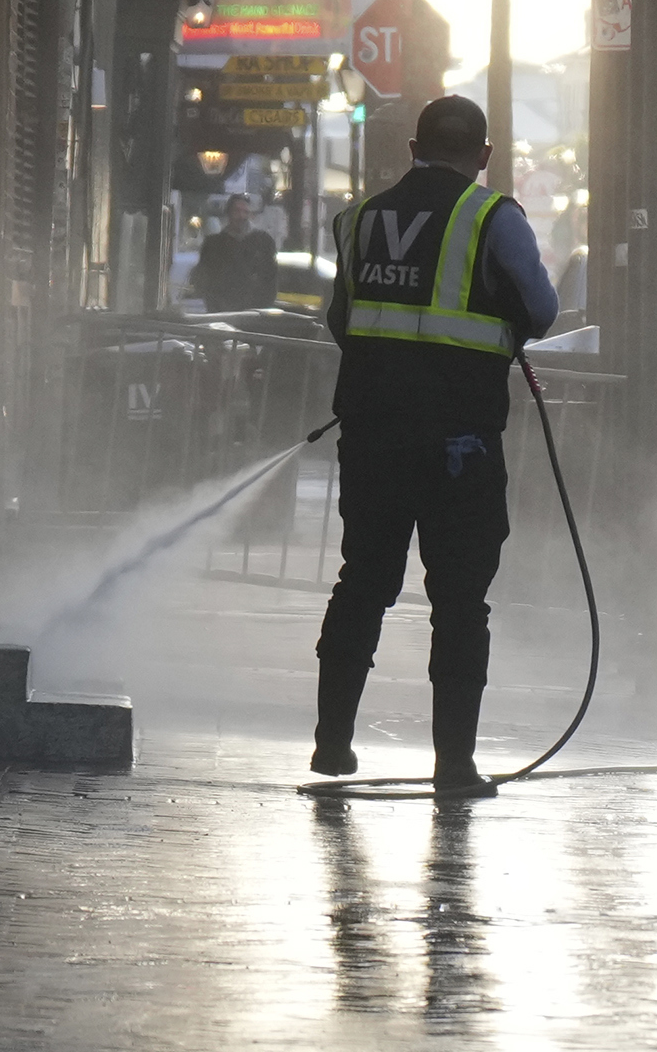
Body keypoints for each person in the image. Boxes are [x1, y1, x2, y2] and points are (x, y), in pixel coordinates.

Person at [311, 94, 560, 792]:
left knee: (361, 582)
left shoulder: (359, 219)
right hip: (460, 445)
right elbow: (540, 312)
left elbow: (343, 320)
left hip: (373, 437)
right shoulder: (492, 217)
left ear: (414, 147)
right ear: (482, 155)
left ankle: (332, 742)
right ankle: (454, 761)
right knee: (459, 603)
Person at [189, 194, 279, 314]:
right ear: (229, 213)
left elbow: (271, 278)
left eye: (245, 212)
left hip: (254, 314)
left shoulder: (263, 241)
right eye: (237, 211)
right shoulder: (214, 244)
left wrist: (262, 308)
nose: (241, 216)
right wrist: (214, 305)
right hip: (222, 312)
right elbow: (203, 277)